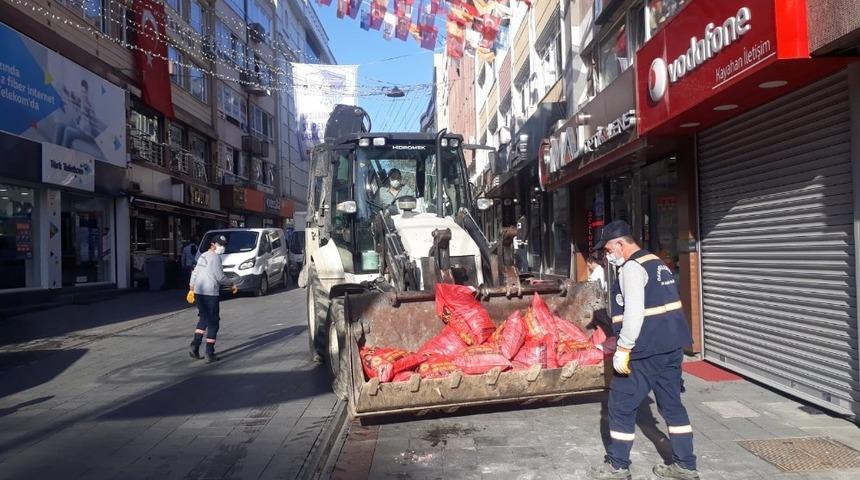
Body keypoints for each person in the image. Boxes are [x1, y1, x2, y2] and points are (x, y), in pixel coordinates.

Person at [588, 220, 697, 480]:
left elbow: (634, 312)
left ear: (620, 244)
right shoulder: (656, 262)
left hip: (645, 349)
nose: (607, 255)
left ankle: (617, 466)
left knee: (620, 405)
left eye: (608, 249)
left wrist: (623, 348)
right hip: (671, 346)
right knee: (672, 405)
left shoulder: (632, 268)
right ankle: (685, 465)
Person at [189, 235, 236, 363]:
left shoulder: (202, 256)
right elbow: (220, 277)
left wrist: (191, 287)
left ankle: (195, 345)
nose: (222, 247)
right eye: (220, 244)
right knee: (213, 323)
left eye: (224, 245)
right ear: (213, 244)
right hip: (210, 293)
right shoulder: (215, 258)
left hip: (199, 291)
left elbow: (195, 272)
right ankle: (209, 353)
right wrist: (231, 283)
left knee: (203, 318)